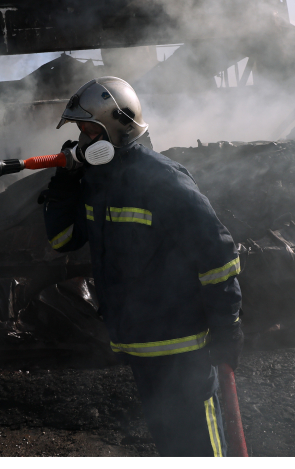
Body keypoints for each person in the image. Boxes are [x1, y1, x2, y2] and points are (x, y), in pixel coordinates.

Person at [41, 76, 243, 457]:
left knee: (202, 448)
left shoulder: (164, 181)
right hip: (137, 348)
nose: (81, 141)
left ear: (116, 127)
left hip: (182, 351)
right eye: (80, 132)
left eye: (88, 131)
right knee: (170, 447)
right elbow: (62, 240)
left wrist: (227, 326)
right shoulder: (96, 183)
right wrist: (64, 186)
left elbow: (218, 257)